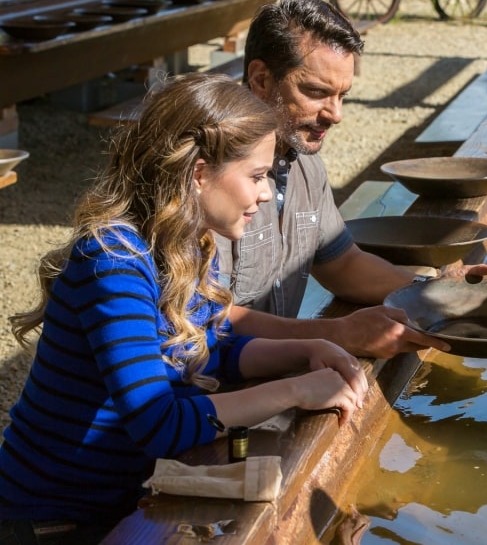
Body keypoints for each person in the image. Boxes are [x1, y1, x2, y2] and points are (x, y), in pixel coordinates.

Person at [0, 74, 369, 544]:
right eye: (256, 176)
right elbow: (160, 424)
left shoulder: (181, 242)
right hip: (46, 523)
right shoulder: (113, 261)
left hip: (116, 501)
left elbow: (206, 348)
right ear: (198, 174)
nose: (264, 194)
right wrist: (297, 390)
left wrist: (309, 348)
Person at [216, 0, 487, 359]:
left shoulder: (304, 162)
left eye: (342, 95)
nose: (335, 115)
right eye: (316, 92)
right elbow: (200, 319)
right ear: (261, 79)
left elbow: (343, 264)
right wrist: (335, 333)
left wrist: (433, 289)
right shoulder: (212, 174)